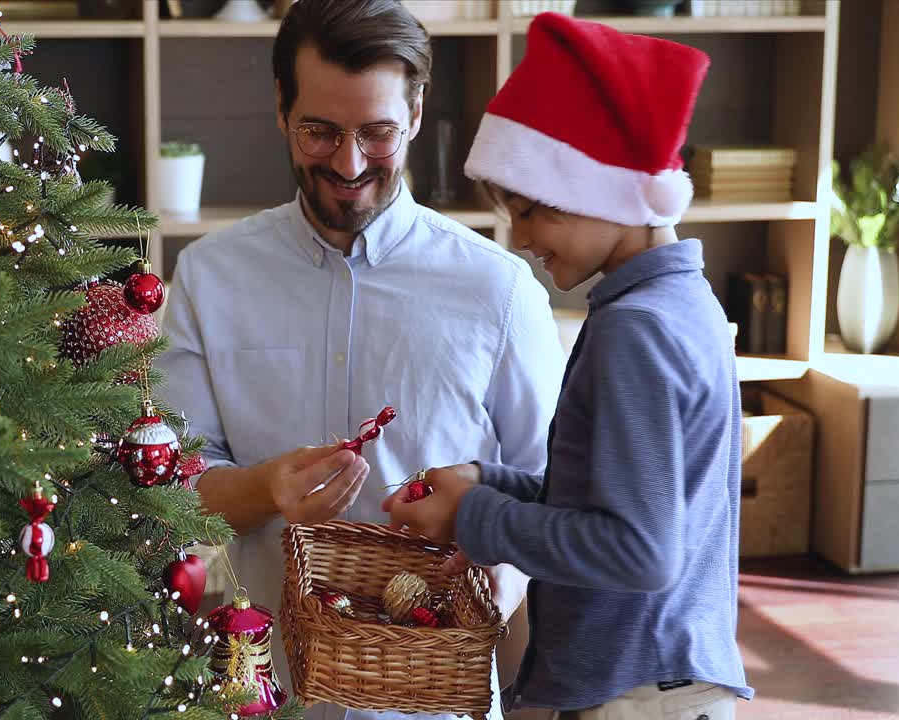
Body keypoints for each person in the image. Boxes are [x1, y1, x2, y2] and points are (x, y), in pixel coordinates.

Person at [154, 1, 565, 718]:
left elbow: (551, 490)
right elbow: (171, 482)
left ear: (415, 112)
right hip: (263, 691)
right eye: (320, 130)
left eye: (376, 133)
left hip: (435, 701)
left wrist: (504, 573)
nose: (348, 164)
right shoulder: (210, 276)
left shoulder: (499, 291)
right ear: (281, 109)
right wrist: (263, 489)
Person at [385, 12, 754, 720]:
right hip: (668, 679)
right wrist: (491, 482)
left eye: (536, 211)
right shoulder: (681, 302)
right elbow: (617, 497)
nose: (520, 237)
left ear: (606, 193)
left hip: (636, 694)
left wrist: (476, 516)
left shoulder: (635, 331)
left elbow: (639, 552)